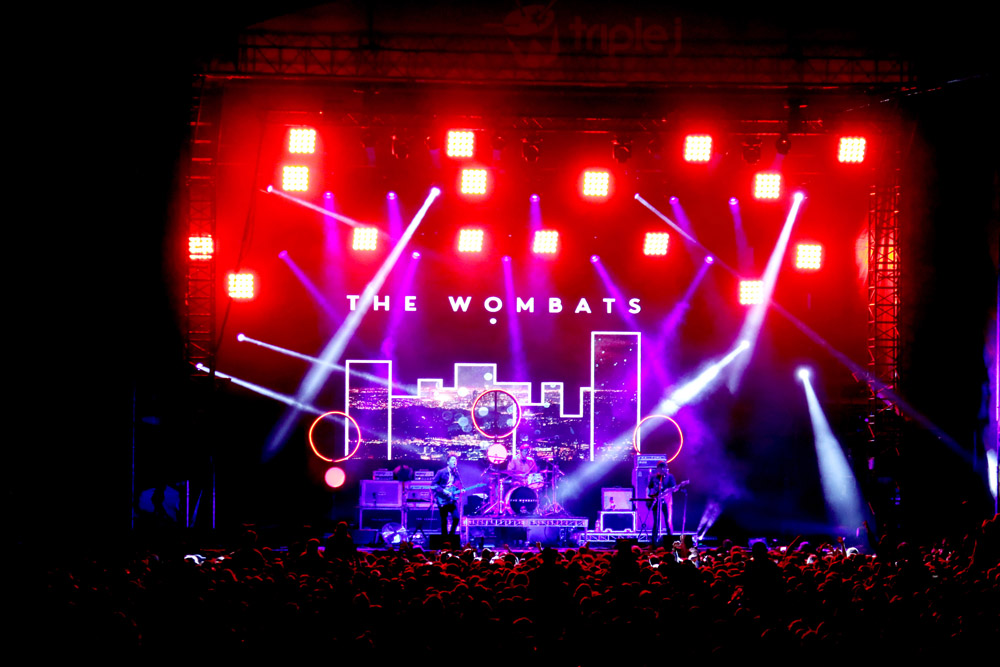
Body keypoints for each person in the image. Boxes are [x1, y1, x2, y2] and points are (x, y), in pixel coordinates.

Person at [647, 461, 682, 546]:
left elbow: (674, 488)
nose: (662, 469)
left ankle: (670, 543)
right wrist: (650, 497)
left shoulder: (670, 476)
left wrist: (673, 489)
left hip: (667, 501)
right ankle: (654, 542)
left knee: (668, 521)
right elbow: (649, 488)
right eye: (660, 467)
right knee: (656, 522)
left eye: (664, 467)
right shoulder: (654, 477)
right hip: (656, 501)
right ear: (658, 468)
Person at [432, 455, 463, 536]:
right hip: (442, 498)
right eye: (452, 460)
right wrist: (443, 491)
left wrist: (461, 490)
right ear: (448, 462)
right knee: (444, 519)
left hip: (452, 499)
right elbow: (433, 484)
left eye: (455, 460)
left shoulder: (456, 473)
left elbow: (458, 485)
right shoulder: (441, 472)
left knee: (456, 518)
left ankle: (451, 536)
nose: (454, 462)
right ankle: (444, 538)